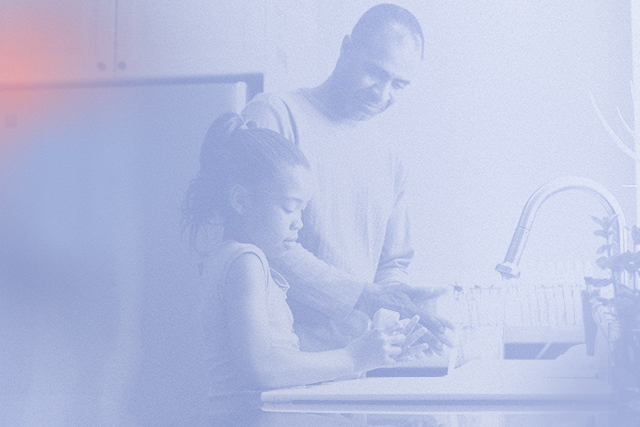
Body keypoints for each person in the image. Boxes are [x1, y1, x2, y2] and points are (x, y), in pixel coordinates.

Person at [242, 4, 454, 352]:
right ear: (345, 49)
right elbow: (261, 242)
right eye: (375, 72)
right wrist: (365, 296)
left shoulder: (390, 154)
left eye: (399, 84)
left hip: (358, 363)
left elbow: (393, 261)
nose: (382, 93)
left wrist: (398, 307)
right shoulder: (276, 115)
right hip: (280, 359)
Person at [181, 113, 426, 414]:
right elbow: (261, 369)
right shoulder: (246, 261)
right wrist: (354, 358)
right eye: (289, 208)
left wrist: (375, 354)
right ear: (241, 202)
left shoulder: (230, 258)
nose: (299, 223)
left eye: (303, 210)